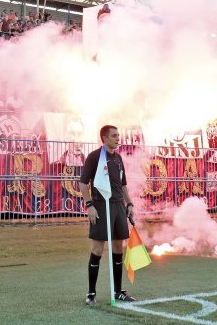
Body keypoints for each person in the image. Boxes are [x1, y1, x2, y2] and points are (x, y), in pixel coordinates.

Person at [79, 125, 136, 306]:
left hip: (118, 206)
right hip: (101, 206)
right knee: (98, 249)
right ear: (104, 138)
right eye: (114, 136)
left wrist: (129, 203)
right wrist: (90, 206)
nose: (118, 138)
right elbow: (82, 183)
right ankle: (91, 294)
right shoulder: (95, 157)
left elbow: (123, 184)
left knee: (118, 248)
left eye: (118, 135)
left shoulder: (118, 158)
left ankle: (118, 291)